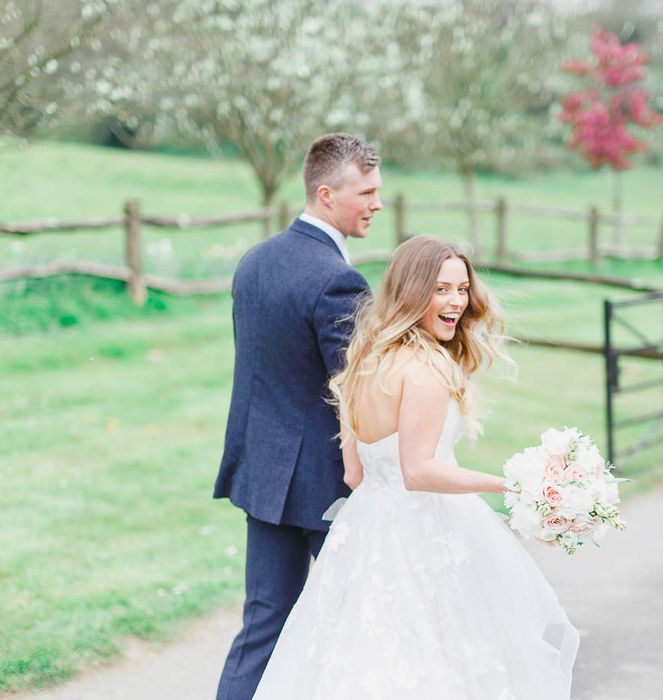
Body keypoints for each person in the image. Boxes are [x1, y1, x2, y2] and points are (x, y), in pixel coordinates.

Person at [251, 236, 580, 699]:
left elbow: (354, 475)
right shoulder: (425, 370)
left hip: (366, 533)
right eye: (442, 289)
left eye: (462, 289)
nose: (457, 302)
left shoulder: (365, 361)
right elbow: (419, 471)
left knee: (358, 661)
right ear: (412, 291)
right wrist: (510, 486)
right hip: (425, 532)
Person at [213, 133, 383, 700]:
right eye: (367, 192)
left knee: (262, 625)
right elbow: (354, 394)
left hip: (263, 476)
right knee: (353, 624)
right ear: (327, 194)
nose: (376, 204)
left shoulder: (254, 261)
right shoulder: (339, 280)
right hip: (324, 485)